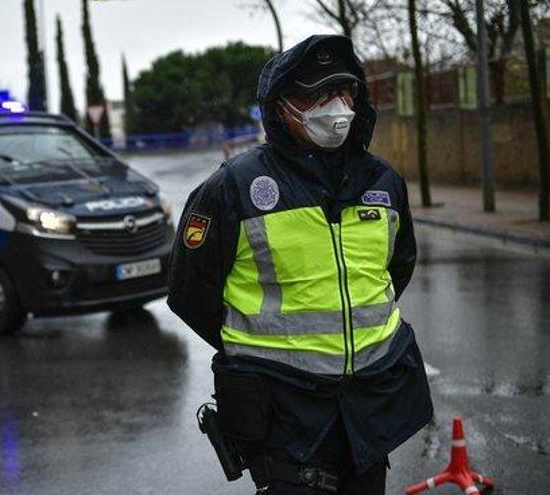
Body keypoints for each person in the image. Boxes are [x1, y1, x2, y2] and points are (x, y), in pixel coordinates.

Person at [168, 35, 433, 494]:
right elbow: (190, 292)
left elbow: (396, 269)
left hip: (367, 415)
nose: (335, 106)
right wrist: (255, 346)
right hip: (285, 422)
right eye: (315, 95)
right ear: (281, 106)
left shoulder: (384, 181)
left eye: (344, 91)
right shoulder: (234, 186)